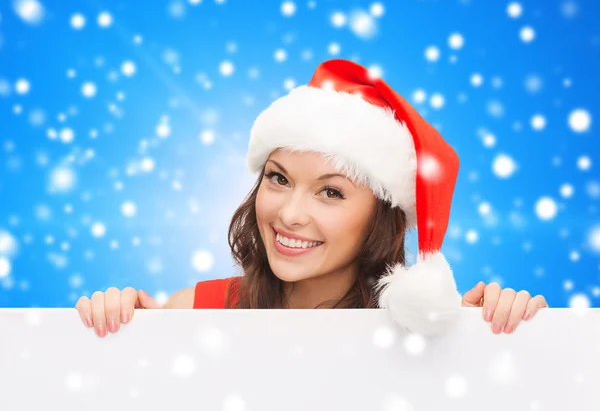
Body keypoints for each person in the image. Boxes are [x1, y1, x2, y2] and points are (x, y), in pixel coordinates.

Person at [75, 59, 548, 338]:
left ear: (380, 218)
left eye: (330, 191)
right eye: (278, 179)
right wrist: (117, 333)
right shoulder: (195, 311)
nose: (290, 214)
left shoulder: (426, 331)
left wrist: (502, 331)